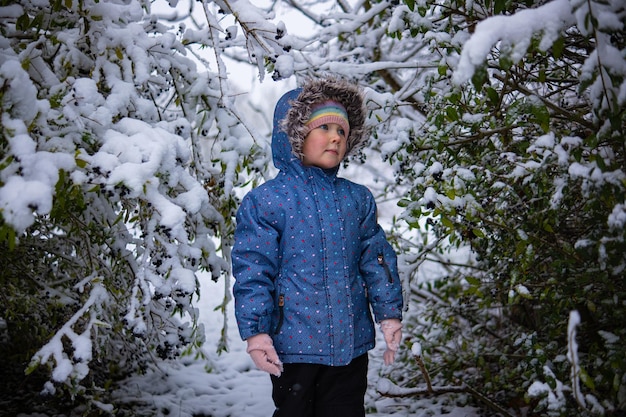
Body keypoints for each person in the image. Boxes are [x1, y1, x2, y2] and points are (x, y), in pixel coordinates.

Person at [231, 77, 403, 417]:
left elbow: (377, 259)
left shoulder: (357, 199)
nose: (336, 137)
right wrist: (256, 333)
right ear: (295, 136)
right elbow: (253, 271)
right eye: (324, 127)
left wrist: (389, 313)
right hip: (294, 347)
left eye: (342, 131)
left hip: (350, 345)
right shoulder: (268, 201)